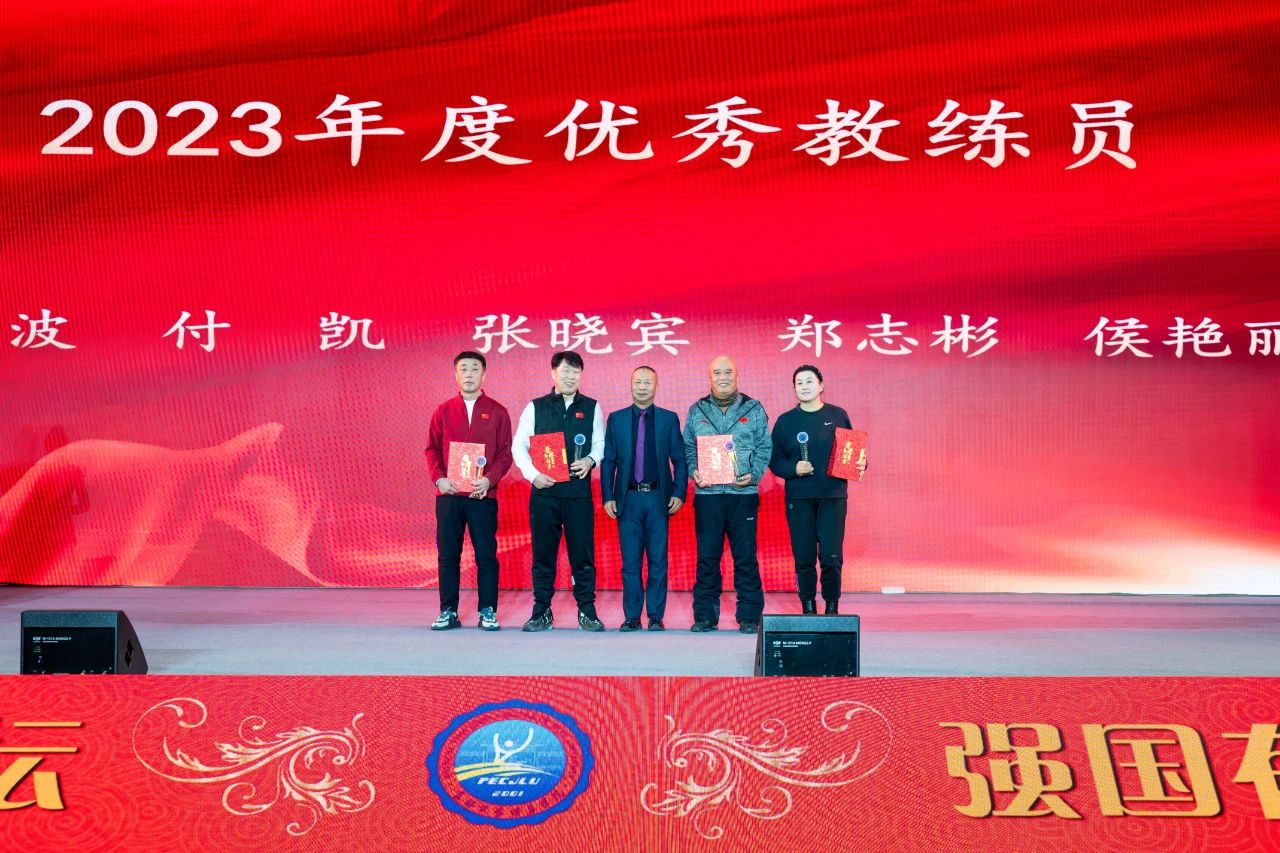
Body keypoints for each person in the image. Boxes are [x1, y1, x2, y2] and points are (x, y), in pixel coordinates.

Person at [512, 351, 606, 632]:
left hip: (577, 493)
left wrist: (590, 461)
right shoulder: (535, 407)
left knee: (582, 555)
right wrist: (533, 475)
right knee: (543, 555)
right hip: (545, 493)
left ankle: (587, 611)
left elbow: (600, 443)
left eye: (576, 371)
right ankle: (541, 611)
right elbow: (519, 446)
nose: (570, 376)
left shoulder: (592, 407)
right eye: (566, 371)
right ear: (553, 373)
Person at [424, 351, 513, 630]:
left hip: (481, 495)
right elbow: (432, 450)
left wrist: (489, 480)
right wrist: (439, 479)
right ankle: (448, 610)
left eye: (475, 368)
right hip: (449, 495)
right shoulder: (443, 410)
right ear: (456, 375)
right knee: (448, 555)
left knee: (486, 554)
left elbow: (505, 454)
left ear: (483, 375)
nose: (469, 374)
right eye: (464, 369)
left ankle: (487, 610)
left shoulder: (498, 411)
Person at [769, 365, 866, 614]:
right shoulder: (785, 421)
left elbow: (852, 452)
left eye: (809, 381)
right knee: (804, 557)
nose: (804, 386)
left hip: (832, 496)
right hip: (799, 498)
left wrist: (861, 463)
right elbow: (774, 460)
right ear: (794, 389)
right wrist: (793, 468)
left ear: (821, 385)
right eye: (799, 383)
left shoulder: (838, 415)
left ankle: (832, 606)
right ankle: (808, 607)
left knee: (831, 557)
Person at [682, 356, 769, 634]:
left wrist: (754, 475)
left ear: (737, 376)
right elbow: (688, 447)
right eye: (717, 373)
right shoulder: (697, 410)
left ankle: (749, 616)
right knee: (707, 557)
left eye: (728, 372)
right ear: (710, 377)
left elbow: (764, 446)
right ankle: (705, 616)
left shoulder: (753, 408)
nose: (723, 377)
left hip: (742, 494)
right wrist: (694, 470)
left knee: (745, 557)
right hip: (708, 495)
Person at [601, 366, 687, 632]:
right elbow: (609, 461)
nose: (642, 387)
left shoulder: (668, 419)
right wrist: (608, 496)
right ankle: (632, 616)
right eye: (637, 382)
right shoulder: (616, 419)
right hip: (628, 499)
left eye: (647, 382)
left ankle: (656, 616)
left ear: (656, 386)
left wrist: (679, 492)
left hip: (658, 499)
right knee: (630, 562)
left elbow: (680, 460)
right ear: (630, 384)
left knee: (658, 561)